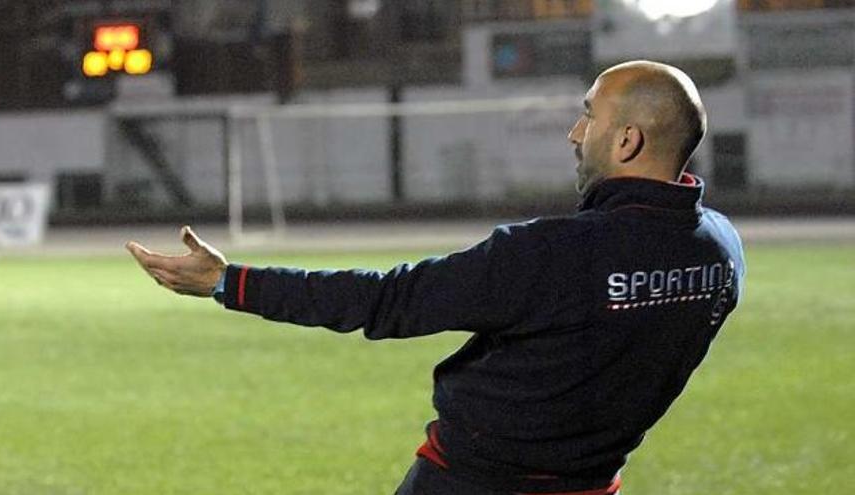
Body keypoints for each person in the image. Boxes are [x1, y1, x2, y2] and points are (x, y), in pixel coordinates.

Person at [127, 60, 745, 495]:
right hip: (592, 486)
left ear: (628, 139)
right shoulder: (721, 253)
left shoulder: (548, 255)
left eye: (589, 116)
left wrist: (228, 282)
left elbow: (384, 299)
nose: (575, 132)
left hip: (471, 483)